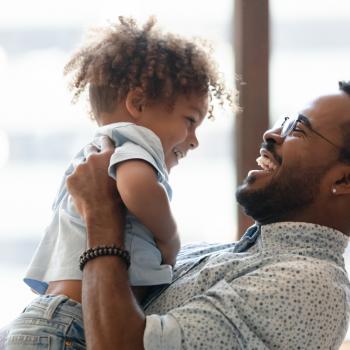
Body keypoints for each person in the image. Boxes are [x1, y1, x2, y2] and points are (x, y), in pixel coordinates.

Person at [64, 82, 350, 349]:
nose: (272, 135)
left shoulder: (310, 286)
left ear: (343, 181)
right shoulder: (235, 255)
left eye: (298, 131)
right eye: (285, 123)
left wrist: (101, 214)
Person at [3, 17, 231, 349]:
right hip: (71, 325)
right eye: (190, 120)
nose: (194, 140)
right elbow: (137, 187)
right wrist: (169, 237)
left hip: (50, 319)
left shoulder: (98, 152)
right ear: (138, 104)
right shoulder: (132, 146)